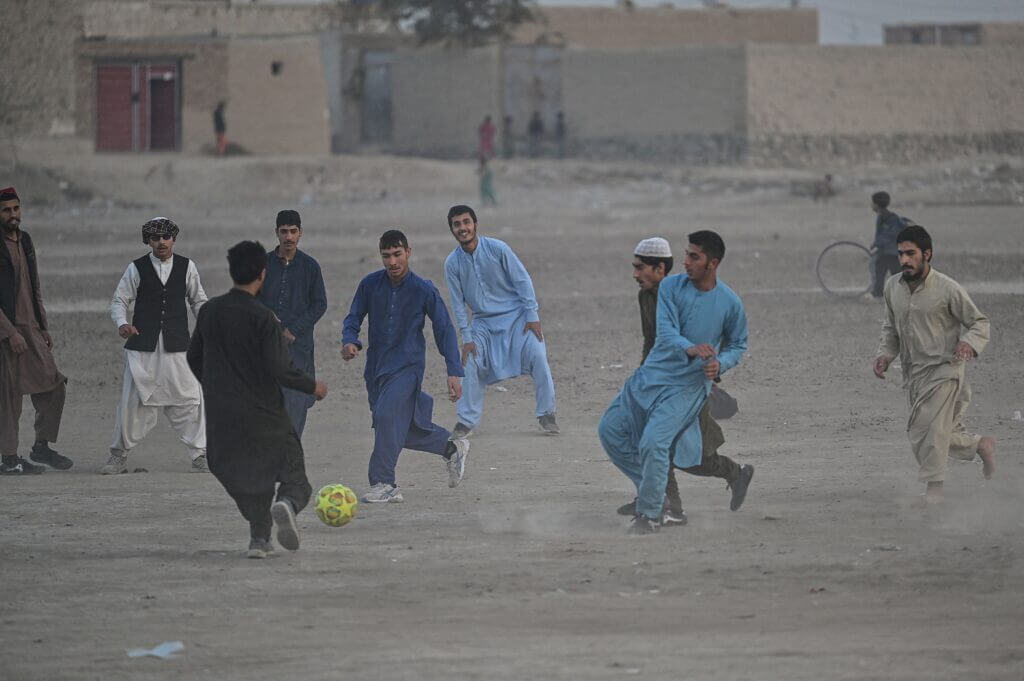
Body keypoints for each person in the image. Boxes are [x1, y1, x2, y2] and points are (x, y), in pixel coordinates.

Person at [599, 231, 748, 535]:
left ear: (713, 263)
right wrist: (690, 347)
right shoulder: (669, 287)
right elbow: (665, 334)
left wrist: (721, 363)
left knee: (665, 447)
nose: (686, 261)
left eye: (694, 256)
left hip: (687, 388)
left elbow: (738, 345)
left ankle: (652, 514)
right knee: (611, 431)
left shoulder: (730, 303)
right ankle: (655, 494)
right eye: (686, 254)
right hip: (649, 378)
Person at [188, 241, 327, 558]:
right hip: (266, 417)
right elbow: (280, 369)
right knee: (294, 477)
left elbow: (194, 358)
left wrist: (216, 387)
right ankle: (287, 504)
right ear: (263, 275)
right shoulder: (264, 319)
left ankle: (259, 540)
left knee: (251, 483)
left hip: (223, 420)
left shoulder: (209, 312)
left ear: (231, 271)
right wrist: (312, 387)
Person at [342, 230, 469, 504]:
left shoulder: (423, 289)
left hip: (407, 368)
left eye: (397, 254)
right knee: (397, 429)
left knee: (388, 417)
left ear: (408, 253)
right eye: (386, 256)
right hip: (376, 369)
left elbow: (444, 329)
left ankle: (384, 483)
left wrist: (454, 371)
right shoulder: (369, 284)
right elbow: (353, 317)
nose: (392, 262)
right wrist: (350, 340)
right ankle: (450, 447)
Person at [873, 223, 995, 506]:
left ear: (927, 254)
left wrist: (969, 343)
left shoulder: (948, 288)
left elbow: (979, 322)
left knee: (926, 428)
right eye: (901, 254)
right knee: (936, 430)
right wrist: (885, 355)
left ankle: (934, 493)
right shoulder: (893, 287)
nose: (904, 260)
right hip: (913, 372)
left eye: (911, 254)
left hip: (945, 368)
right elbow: (891, 328)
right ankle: (981, 446)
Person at [104, 217, 208, 474]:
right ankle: (118, 455)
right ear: (148, 241)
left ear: (173, 239)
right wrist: (122, 323)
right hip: (142, 348)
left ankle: (200, 455)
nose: (161, 242)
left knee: (190, 399)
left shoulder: (187, 266)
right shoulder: (136, 268)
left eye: (166, 237)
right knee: (133, 402)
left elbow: (198, 301)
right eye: (155, 238)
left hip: (178, 346)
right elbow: (119, 300)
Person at [444, 205, 558, 437]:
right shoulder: (452, 264)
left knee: (538, 355)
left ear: (475, 224)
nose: (463, 228)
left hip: (517, 318)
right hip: (483, 323)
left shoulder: (498, 249)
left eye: (466, 222)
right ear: (452, 230)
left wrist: (532, 316)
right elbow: (457, 304)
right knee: (470, 362)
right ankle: (466, 422)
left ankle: (547, 414)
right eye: (457, 224)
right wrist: (466, 337)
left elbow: (522, 281)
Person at [0, 186, 72, 474]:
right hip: (7, 332)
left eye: (16, 209)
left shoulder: (25, 240)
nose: (13, 214)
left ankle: (41, 446)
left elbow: (35, 286)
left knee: (54, 385)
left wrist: (42, 326)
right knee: (8, 396)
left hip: (31, 329)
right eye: (6, 210)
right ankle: (8, 459)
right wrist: (10, 332)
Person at [258, 209, 327, 437]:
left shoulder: (310, 267)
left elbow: (319, 304)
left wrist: (293, 330)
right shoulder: (263, 265)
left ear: (300, 233)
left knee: (296, 405)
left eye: (293, 231)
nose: (288, 237)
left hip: (299, 350)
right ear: (276, 233)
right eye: (284, 231)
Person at [870, 191, 903, 298]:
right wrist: (876, 244)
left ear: (877, 205)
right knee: (895, 273)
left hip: (890, 251)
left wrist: (877, 244)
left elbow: (888, 235)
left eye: (872, 203)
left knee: (881, 270)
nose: (871, 205)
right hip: (889, 251)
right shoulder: (883, 216)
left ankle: (878, 294)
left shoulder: (889, 218)